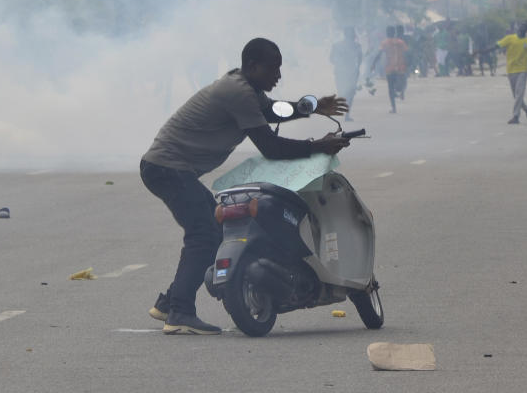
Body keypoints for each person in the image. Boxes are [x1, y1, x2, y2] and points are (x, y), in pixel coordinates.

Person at [141, 38, 349, 335]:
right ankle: (179, 312)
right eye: (272, 69)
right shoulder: (237, 93)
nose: (278, 76)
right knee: (205, 234)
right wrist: (319, 146)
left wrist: (311, 107)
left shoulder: (246, 88)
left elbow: (273, 111)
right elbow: (271, 146)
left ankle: (170, 302)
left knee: (210, 232)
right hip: (167, 168)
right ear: (253, 66)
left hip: (170, 169)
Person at [492, 21, 527, 124]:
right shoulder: (510, 38)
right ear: (518, 27)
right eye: (521, 25)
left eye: (525, 27)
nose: (522, 27)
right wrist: (481, 52)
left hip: (523, 70)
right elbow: (497, 46)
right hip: (511, 70)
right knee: (516, 95)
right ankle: (526, 109)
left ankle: (516, 116)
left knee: (519, 94)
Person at [372, 26, 408, 113]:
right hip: (401, 67)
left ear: (386, 33)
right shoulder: (401, 42)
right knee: (402, 83)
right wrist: (408, 64)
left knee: (391, 88)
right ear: (394, 33)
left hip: (390, 68)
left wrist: (373, 63)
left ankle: (394, 108)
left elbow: (379, 54)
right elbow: (407, 53)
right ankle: (402, 91)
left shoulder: (384, 43)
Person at [329, 27, 363, 121]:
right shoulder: (357, 46)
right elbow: (360, 59)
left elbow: (331, 59)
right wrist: (356, 68)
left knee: (345, 93)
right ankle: (346, 114)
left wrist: (339, 63)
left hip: (342, 71)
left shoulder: (337, 45)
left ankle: (344, 112)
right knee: (349, 93)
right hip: (350, 72)